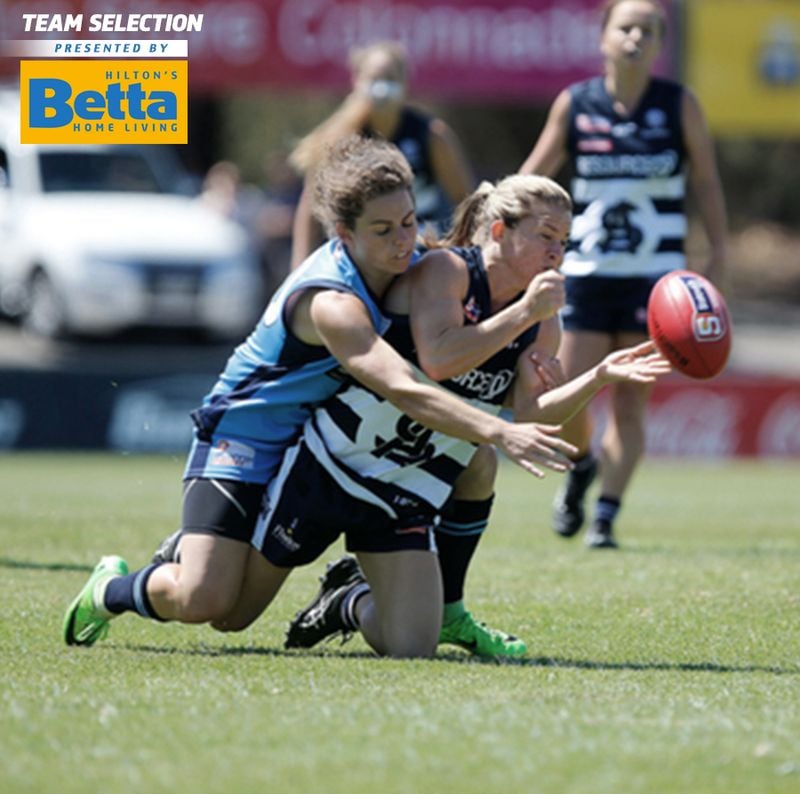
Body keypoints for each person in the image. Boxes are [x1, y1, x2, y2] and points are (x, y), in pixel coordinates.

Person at [63, 137, 576, 648]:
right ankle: (111, 589)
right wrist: (498, 430)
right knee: (212, 604)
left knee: (467, 482)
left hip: (310, 437)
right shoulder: (333, 301)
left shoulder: (411, 266)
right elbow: (402, 385)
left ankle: (363, 598)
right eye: (382, 230)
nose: (403, 240)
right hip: (247, 435)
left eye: (408, 221)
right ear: (343, 234)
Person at [200, 175, 669, 659]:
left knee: (412, 647)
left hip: (408, 484)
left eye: (564, 241)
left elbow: (529, 414)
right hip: (333, 464)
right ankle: (184, 557)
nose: (557, 252)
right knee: (230, 617)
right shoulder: (448, 272)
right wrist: (524, 313)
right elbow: (440, 358)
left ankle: (347, 601)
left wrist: (598, 377)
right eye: (545, 236)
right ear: (500, 231)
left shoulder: (543, 317)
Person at [519, 0, 728, 548]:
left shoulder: (678, 105)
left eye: (648, 30)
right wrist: (504, 221)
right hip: (586, 274)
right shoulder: (576, 103)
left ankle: (606, 514)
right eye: (626, 27)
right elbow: (533, 175)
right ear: (604, 37)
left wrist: (718, 250)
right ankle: (582, 464)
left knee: (632, 403)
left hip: (657, 284)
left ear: (660, 43)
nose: (636, 37)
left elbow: (705, 181)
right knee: (566, 391)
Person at [289, 40, 474, 266]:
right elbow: (310, 209)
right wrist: (298, 271)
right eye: (375, 78)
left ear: (405, 83)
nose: (383, 87)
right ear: (356, 81)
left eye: (390, 78)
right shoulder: (338, 138)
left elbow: (467, 202)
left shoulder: (431, 135)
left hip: (418, 254)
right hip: (358, 258)